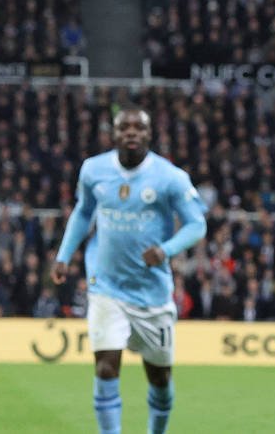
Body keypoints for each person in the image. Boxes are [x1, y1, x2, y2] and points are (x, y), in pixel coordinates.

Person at [52, 108, 207, 434]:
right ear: (114, 133)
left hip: (152, 294)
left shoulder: (170, 177)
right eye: (125, 127)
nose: (131, 132)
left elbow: (197, 225)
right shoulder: (94, 170)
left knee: (160, 379)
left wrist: (165, 250)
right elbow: (83, 213)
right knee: (106, 368)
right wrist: (64, 255)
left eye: (139, 127)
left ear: (149, 134)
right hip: (106, 287)